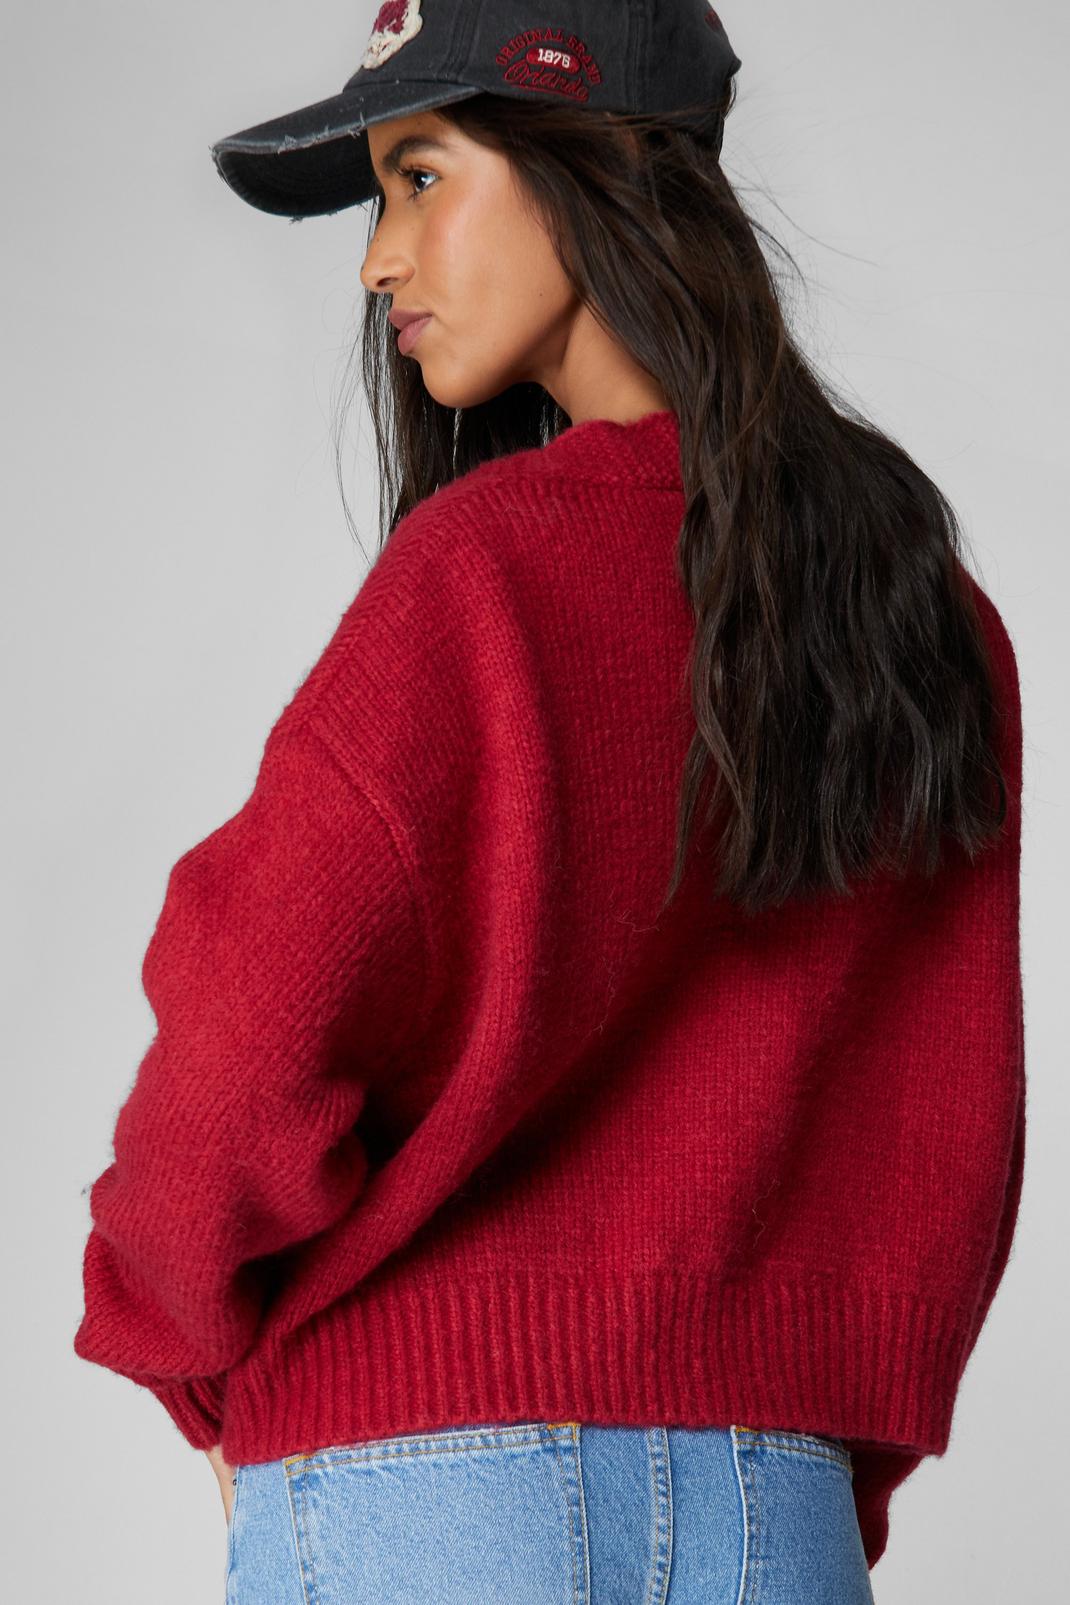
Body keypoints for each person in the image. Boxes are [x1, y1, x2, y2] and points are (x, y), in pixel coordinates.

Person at [73, 4, 1026, 1602]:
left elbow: (244, 1032)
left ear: (593, 165)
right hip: (772, 1507)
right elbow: (947, 1122)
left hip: (421, 1484)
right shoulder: (920, 612)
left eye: (422, 176)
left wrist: (181, 1345)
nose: (379, 260)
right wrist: (794, 1453)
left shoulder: (483, 578)